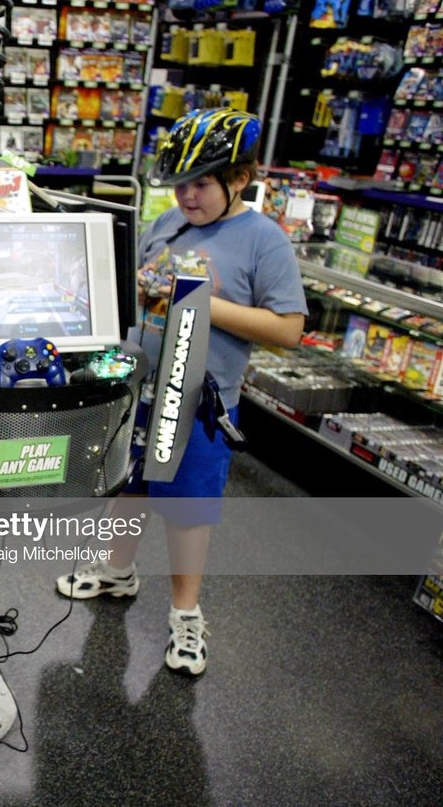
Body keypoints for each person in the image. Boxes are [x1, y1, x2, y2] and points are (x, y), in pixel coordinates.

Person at [56, 107, 308, 676]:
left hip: (198, 400)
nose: (186, 196)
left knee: (188, 510)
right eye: (178, 184)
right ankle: (117, 571)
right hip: (138, 386)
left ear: (239, 179)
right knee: (129, 482)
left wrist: (197, 300)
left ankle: (186, 614)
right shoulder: (167, 224)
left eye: (200, 184)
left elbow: (289, 329)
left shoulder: (263, 240)